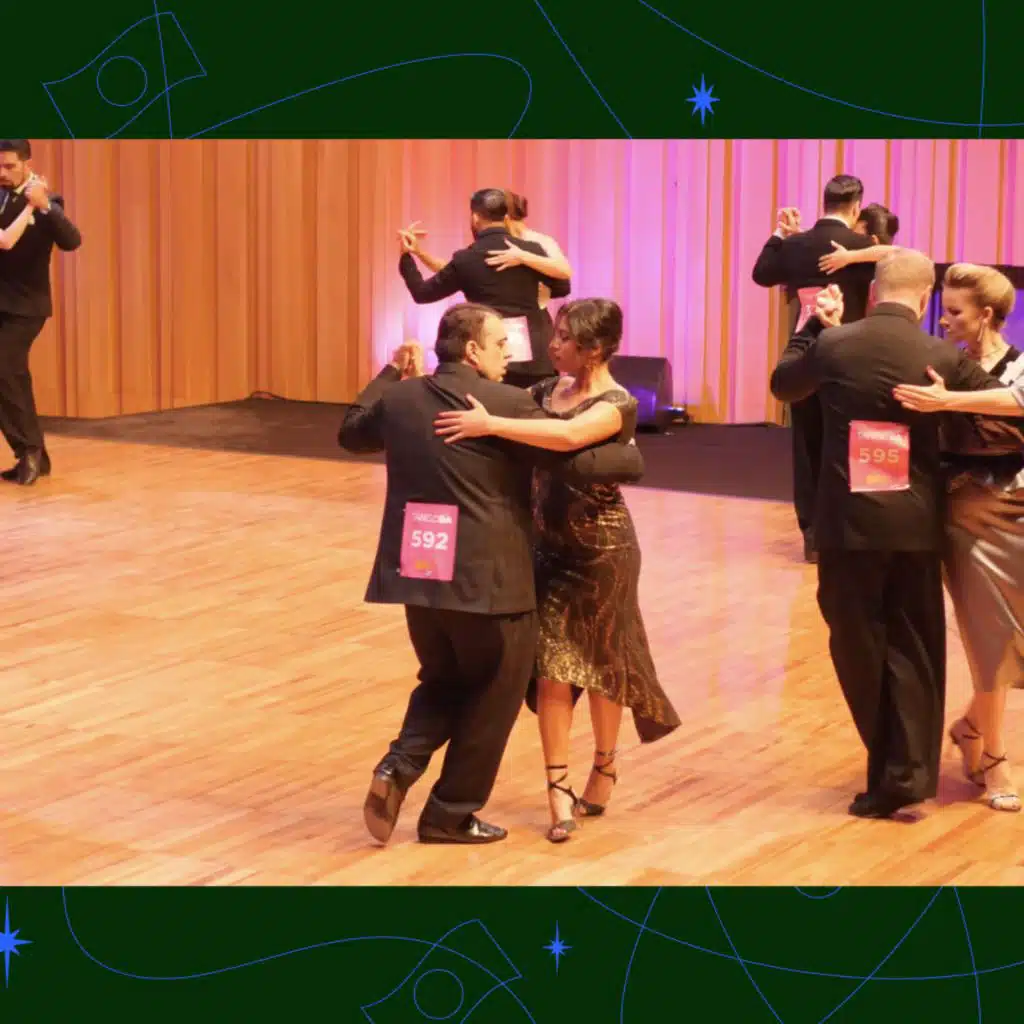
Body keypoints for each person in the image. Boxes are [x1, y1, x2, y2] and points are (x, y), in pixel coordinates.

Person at [338, 303, 644, 846]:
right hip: (489, 579)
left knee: (443, 679)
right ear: (474, 350)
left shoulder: (402, 399)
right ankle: (450, 812)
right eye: (502, 344)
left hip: (420, 569)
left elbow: (352, 433)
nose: (512, 352)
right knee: (496, 692)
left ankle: (398, 764)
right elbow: (575, 459)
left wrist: (391, 372)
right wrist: (629, 455)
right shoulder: (508, 404)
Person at [769, 249, 1006, 819]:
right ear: (924, 298)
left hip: (848, 529)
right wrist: (950, 405)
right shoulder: (940, 354)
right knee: (915, 648)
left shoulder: (835, 344)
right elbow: (1002, 410)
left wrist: (812, 327)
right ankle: (910, 772)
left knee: (858, 647)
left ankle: (890, 771)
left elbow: (784, 385)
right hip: (916, 526)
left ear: (873, 292)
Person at [434, 298, 680, 842]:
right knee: (552, 667)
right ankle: (557, 787)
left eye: (565, 338)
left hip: (604, 550)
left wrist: (489, 423)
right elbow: (504, 412)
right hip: (547, 549)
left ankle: (605, 766)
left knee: (604, 665)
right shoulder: (545, 392)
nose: (553, 345)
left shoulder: (617, 404)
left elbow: (567, 438)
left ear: (593, 349)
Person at [892, 264, 1024, 811]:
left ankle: (970, 726)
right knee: (988, 636)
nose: (943, 321)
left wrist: (947, 402)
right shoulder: (937, 364)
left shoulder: (1017, 366)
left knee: (1015, 641)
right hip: (965, 514)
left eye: (953, 311)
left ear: (986, 315)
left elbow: (1018, 403)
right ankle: (994, 757)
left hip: (1020, 511)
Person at [752, 174, 878, 563]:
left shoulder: (797, 245)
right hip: (851, 355)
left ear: (823, 203)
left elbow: (762, 273)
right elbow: (912, 262)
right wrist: (856, 257)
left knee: (807, 443)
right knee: (848, 440)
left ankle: (812, 535)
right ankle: (848, 529)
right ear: (856, 207)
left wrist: (781, 233)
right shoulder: (864, 247)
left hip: (805, 354)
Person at [396, 188, 569, 389]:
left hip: (487, 357)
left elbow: (422, 293)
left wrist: (406, 257)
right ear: (505, 217)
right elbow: (562, 287)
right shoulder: (531, 249)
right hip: (535, 359)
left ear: (475, 218)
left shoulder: (466, 259)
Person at [0, 140, 82, 485]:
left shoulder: (50, 201)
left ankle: (29, 451)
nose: (2, 173)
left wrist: (44, 205)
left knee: (5, 367)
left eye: (9, 166)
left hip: (26, 306)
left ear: (27, 164)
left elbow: (72, 241)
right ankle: (34, 454)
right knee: (10, 376)